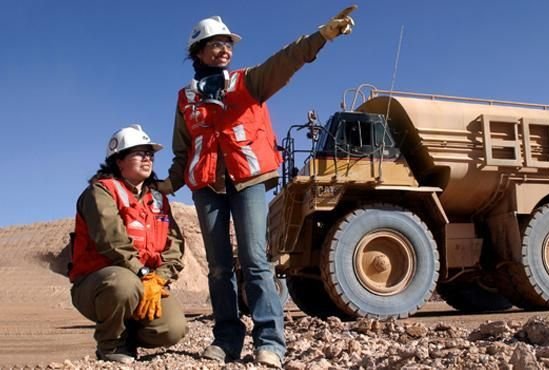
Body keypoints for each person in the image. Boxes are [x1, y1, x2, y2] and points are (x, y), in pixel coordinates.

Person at [157, 5, 357, 368]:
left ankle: (270, 342)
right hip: (207, 186)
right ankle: (226, 340)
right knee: (218, 267)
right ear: (198, 52)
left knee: (255, 260)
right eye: (215, 44)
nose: (224, 50)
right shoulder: (185, 98)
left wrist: (321, 37)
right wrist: (168, 185)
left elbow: (285, 62)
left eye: (227, 44)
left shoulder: (247, 82)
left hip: (247, 179)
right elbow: (182, 149)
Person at [68, 124, 187, 364]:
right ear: (119, 160)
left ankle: (126, 333)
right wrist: (143, 273)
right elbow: (112, 241)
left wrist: (159, 278)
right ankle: (110, 344)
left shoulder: (158, 200)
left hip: (144, 282)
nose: (148, 158)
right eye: (140, 153)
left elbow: (174, 245)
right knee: (123, 284)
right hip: (100, 284)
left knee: (173, 328)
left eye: (150, 154)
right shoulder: (100, 193)